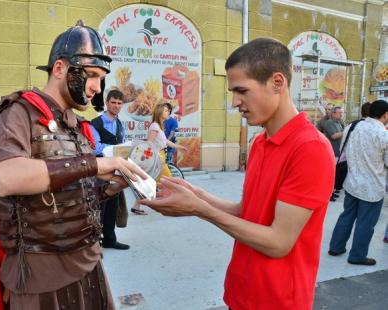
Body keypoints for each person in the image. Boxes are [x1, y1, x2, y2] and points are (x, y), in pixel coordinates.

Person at [141, 38, 335, 309]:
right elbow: (248, 211)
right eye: (233, 92)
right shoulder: (260, 142)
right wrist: (198, 195)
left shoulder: (310, 148)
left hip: (278, 300)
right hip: (241, 291)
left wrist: (201, 210)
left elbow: (279, 242)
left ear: (277, 82)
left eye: (242, 91)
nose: (236, 102)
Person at [0, 21, 146, 310]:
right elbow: (5, 178)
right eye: (92, 75)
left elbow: (72, 196)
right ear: (59, 69)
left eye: (101, 77)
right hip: (41, 274)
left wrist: (110, 187)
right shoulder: (20, 112)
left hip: (88, 263)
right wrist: (94, 165)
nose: (97, 87)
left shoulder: (77, 125)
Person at [328, 100, 388, 265]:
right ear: (385, 114)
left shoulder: (352, 127)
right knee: (366, 222)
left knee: (346, 215)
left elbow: (344, 151)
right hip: (372, 187)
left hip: (352, 182)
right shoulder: (383, 134)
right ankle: (357, 256)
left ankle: (336, 247)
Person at [91, 89, 130, 250]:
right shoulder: (95, 123)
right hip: (100, 171)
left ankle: (110, 239)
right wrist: (116, 149)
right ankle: (94, 243)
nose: (116, 106)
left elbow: (123, 143)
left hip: (115, 172)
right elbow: (95, 148)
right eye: (113, 102)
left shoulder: (120, 124)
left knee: (113, 207)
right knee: (99, 207)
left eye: (119, 103)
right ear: (107, 103)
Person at [131, 103, 186, 215]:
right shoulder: (155, 126)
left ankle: (137, 206)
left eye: (168, 111)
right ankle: (172, 204)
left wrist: (178, 147)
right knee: (170, 181)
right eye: (166, 110)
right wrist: (151, 160)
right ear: (160, 112)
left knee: (150, 183)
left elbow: (165, 141)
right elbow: (149, 144)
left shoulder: (159, 126)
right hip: (158, 158)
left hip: (161, 157)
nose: (168, 112)